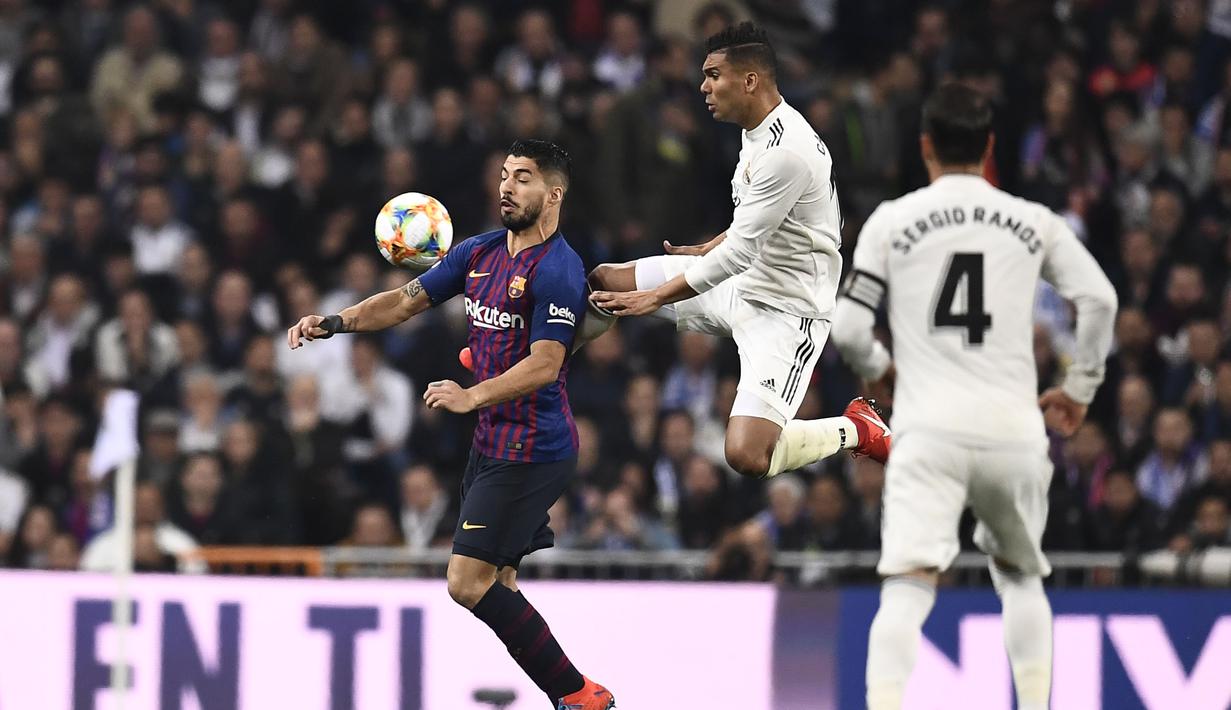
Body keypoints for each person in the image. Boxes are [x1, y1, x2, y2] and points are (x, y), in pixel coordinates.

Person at [287, 139, 615, 710]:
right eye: (505, 175)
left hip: (534, 448)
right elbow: (404, 301)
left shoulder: (560, 270)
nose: (507, 187)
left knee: (466, 581)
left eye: (524, 178)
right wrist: (336, 321)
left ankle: (578, 695)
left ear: (554, 194)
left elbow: (546, 364)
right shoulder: (478, 252)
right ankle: (569, 696)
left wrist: (472, 395)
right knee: (499, 586)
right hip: (492, 442)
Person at [829, 83, 1118, 710]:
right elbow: (1100, 300)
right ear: (988, 147)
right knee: (1021, 579)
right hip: (1013, 429)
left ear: (925, 146)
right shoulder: (1034, 221)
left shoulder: (892, 221)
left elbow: (848, 327)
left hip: (928, 431)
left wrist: (879, 369)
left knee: (907, 586)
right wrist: (1080, 389)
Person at [585, 23, 890, 481]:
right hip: (739, 285)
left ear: (749, 80)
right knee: (605, 279)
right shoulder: (757, 131)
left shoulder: (787, 151)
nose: (703, 87)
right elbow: (762, 223)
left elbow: (739, 255)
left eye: (713, 75)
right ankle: (545, 373)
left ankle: (858, 428)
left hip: (786, 313)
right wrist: (712, 244)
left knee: (747, 455)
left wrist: (655, 298)